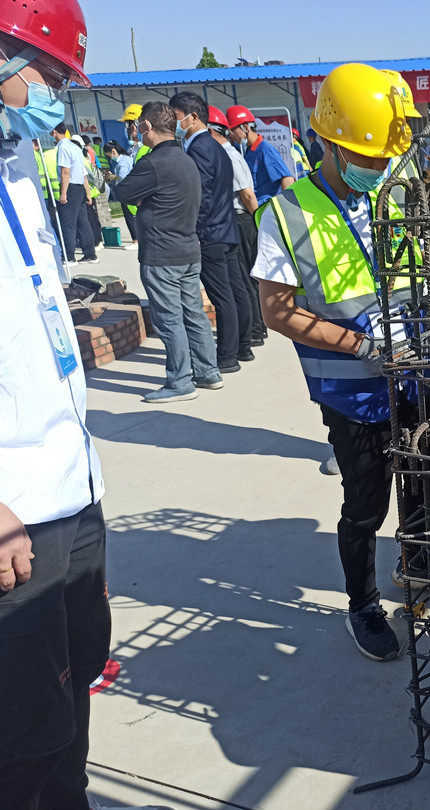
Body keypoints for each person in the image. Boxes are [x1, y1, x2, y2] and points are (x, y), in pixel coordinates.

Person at [0, 4, 158, 809]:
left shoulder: (19, 161)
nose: (57, 93)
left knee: (72, 701)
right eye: (49, 71)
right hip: (13, 512)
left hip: (71, 486)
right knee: (26, 735)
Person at [251, 63, 430, 661]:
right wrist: (362, 347)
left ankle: (416, 558)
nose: (379, 167)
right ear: (329, 142)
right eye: (368, 156)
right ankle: (362, 605)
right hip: (354, 393)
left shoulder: (397, 196)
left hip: (415, 374)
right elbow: (276, 311)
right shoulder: (286, 213)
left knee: (425, 476)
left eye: (386, 156)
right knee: (366, 506)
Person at [114, 101, 221, 402]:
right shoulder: (186, 159)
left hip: (162, 254)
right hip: (187, 251)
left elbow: (122, 192)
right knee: (194, 314)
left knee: (170, 320)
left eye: (138, 125)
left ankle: (180, 381)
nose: (136, 131)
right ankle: (207, 371)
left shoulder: (153, 163)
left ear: (146, 126)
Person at [171, 91, 252, 371]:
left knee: (222, 297)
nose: (174, 124)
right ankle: (243, 346)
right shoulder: (217, 146)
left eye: (176, 117)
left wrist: (194, 230)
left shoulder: (199, 149)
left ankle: (227, 356)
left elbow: (201, 196)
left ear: (193, 117)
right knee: (236, 291)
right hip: (225, 228)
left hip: (210, 233)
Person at [207, 105, 265, 347]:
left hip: (242, 219)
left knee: (245, 277)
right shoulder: (229, 154)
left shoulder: (228, 157)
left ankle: (255, 329)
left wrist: (257, 222)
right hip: (239, 219)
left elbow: (247, 195)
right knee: (245, 277)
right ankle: (256, 327)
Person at [49, 122, 98, 265]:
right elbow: (82, 172)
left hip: (70, 188)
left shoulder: (63, 147)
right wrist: (87, 193)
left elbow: (65, 171)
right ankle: (90, 254)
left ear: (54, 132)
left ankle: (69, 257)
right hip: (80, 187)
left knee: (68, 223)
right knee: (83, 222)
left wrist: (63, 193)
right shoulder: (75, 147)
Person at [227, 104, 294, 205]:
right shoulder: (249, 151)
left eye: (233, 130)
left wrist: (284, 206)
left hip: (267, 208)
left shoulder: (265, 150)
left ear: (245, 128)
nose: (231, 135)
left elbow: (288, 179)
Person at [103, 139, 139, 250]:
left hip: (126, 191)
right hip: (132, 190)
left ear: (113, 151)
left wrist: (112, 177)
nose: (110, 157)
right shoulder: (128, 158)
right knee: (135, 215)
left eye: (109, 155)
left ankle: (136, 241)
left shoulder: (122, 162)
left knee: (129, 217)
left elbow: (123, 176)